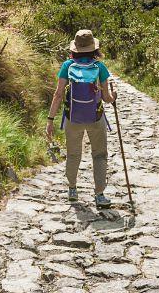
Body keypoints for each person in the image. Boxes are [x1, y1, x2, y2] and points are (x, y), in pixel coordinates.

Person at [45, 29, 116, 206]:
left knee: (73, 154)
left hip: (72, 118)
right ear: (94, 48)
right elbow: (106, 98)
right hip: (95, 118)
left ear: (75, 48)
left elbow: (58, 94)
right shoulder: (100, 67)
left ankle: (72, 190)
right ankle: (99, 195)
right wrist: (114, 96)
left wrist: (50, 119)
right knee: (99, 155)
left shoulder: (67, 66)